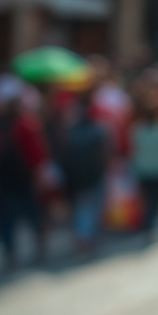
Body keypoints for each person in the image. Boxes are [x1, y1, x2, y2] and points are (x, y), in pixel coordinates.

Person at [0, 76, 49, 266]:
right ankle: (39, 243)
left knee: (7, 216)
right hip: (23, 175)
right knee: (31, 210)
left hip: (3, 176)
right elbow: (36, 152)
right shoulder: (25, 123)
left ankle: (9, 252)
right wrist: (40, 173)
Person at [59, 91, 109, 255]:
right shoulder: (97, 130)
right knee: (92, 207)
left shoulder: (70, 133)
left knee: (83, 207)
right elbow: (104, 153)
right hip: (93, 175)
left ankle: (84, 236)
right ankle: (87, 237)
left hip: (79, 178)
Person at [129, 88, 158, 239]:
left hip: (143, 169)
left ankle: (147, 224)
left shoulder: (136, 128)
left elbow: (133, 150)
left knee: (147, 199)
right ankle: (150, 223)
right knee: (156, 199)